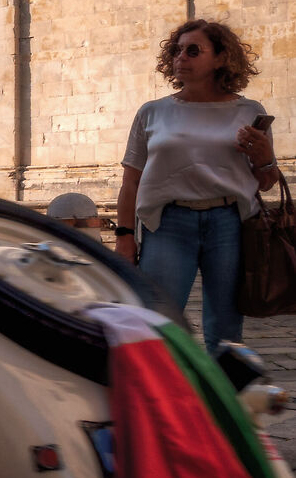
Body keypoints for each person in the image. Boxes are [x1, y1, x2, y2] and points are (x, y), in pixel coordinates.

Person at [116, 19, 281, 356]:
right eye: (177, 51)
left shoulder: (249, 111)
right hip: (168, 224)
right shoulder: (153, 112)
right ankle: (166, 401)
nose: (181, 58)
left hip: (230, 224)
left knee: (226, 329)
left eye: (193, 51)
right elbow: (131, 179)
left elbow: (266, 182)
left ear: (220, 59)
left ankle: (222, 402)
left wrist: (264, 157)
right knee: (160, 323)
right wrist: (124, 236)